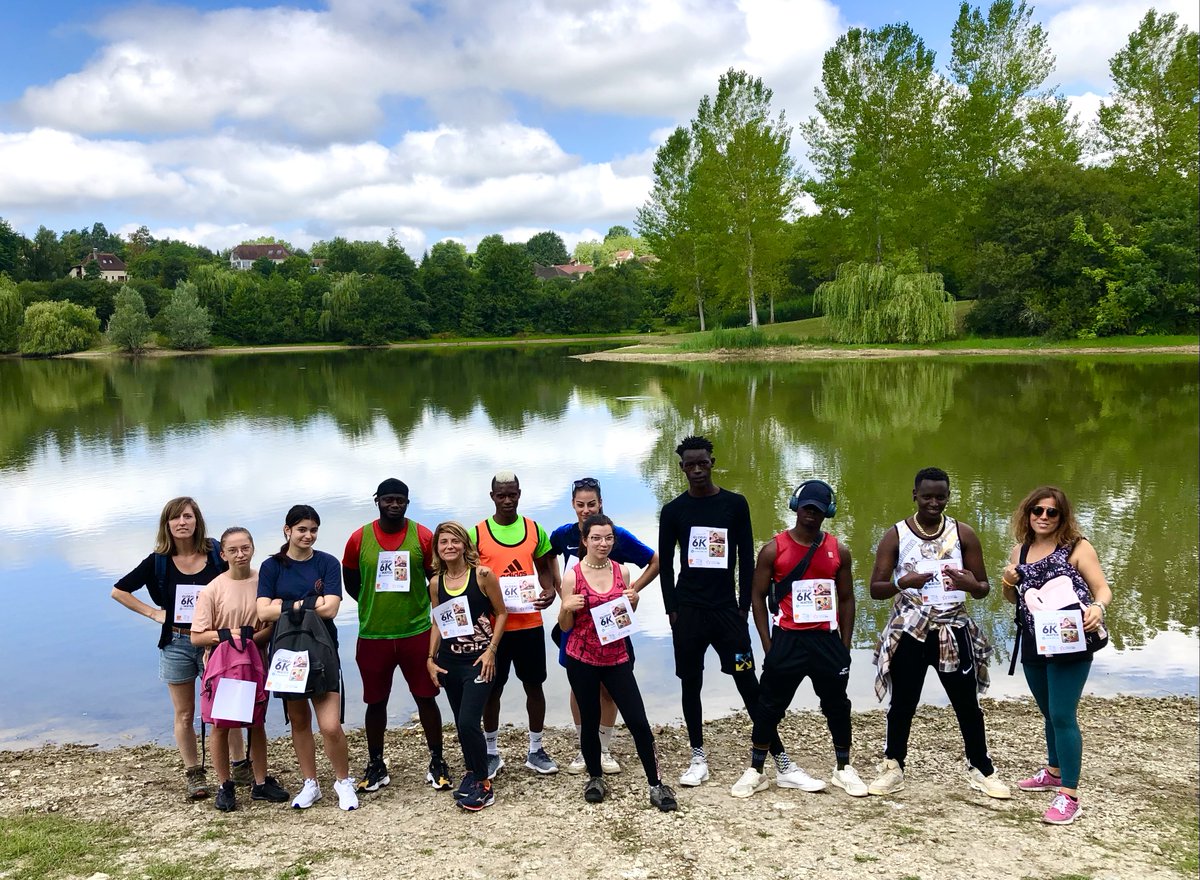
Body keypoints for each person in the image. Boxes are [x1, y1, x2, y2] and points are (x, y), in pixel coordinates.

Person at [657, 436, 800, 787]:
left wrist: (743, 606)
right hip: (688, 611)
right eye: (689, 465)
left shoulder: (735, 505)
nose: (696, 470)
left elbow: (747, 558)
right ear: (681, 468)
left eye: (702, 463)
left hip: (726, 613)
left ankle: (780, 759)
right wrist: (672, 610)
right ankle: (697, 756)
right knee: (691, 683)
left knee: (747, 681)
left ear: (712, 462)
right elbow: (665, 565)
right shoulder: (674, 511)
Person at [868, 467, 1010, 799]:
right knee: (903, 703)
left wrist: (971, 584)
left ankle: (981, 768)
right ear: (914, 495)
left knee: (967, 704)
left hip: (952, 629)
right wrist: (905, 582)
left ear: (948, 496)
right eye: (927, 496)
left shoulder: (964, 534)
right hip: (911, 631)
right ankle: (893, 766)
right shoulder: (896, 535)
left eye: (941, 496)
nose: (934, 502)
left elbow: (984, 588)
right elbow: (876, 589)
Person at [732, 480, 868, 798]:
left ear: (827, 513)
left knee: (837, 705)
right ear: (796, 507)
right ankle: (756, 770)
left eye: (818, 511)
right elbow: (757, 596)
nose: (811, 515)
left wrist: (844, 646)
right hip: (788, 638)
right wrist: (768, 643)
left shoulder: (839, 550)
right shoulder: (773, 549)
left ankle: (843, 768)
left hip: (825, 640)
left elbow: (847, 599)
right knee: (769, 706)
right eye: (807, 508)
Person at [111, 496, 246, 799]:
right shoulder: (158, 561)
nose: (181, 522)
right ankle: (194, 774)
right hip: (176, 642)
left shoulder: (215, 554)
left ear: (197, 520)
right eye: (175, 518)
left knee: (227, 708)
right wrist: (154, 613)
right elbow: (119, 591)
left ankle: (239, 765)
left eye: (187, 516)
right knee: (185, 714)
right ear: (167, 524)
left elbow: (241, 579)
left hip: (215, 640)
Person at [1002, 486, 1112, 825]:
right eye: (1037, 511)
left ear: (1062, 517)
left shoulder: (1078, 547)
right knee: (1048, 712)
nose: (1043, 517)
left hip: (1072, 639)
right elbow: (1013, 599)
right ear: (1027, 514)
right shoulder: (1019, 551)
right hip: (1035, 641)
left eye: (1052, 512)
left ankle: (1069, 795)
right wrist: (1008, 582)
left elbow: (1102, 588)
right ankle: (1052, 770)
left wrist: (1098, 608)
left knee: (1063, 714)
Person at [559, 514, 677, 811]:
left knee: (638, 721)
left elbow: (622, 620)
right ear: (584, 541)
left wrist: (632, 603)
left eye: (608, 538)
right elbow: (564, 626)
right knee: (589, 719)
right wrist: (566, 607)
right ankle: (595, 777)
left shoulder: (621, 572)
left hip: (616, 657)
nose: (603, 543)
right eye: (596, 538)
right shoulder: (572, 576)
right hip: (582, 657)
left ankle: (656, 783)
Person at [342, 478, 449, 794]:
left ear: (407, 503)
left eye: (399, 500)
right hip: (374, 634)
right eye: (388, 499)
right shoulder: (359, 539)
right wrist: (372, 604)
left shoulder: (423, 536)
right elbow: (352, 583)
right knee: (375, 702)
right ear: (377, 501)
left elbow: (437, 579)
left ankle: (437, 760)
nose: (394, 505)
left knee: (426, 698)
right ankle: (376, 764)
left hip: (416, 632)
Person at [550, 477, 660, 775]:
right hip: (579, 631)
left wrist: (632, 591)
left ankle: (605, 747)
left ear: (601, 504)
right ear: (573, 506)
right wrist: (555, 590)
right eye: (580, 505)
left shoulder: (616, 534)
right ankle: (585, 749)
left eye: (592, 504)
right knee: (581, 688)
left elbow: (655, 560)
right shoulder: (563, 534)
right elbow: (544, 555)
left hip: (613, 632)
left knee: (610, 691)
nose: (586, 510)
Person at [256, 504, 358, 811]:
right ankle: (310, 783)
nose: (308, 536)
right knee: (299, 722)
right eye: (302, 529)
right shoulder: (272, 566)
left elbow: (331, 608)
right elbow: (262, 611)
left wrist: (285, 604)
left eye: (313, 530)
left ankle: (343, 781)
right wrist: (311, 602)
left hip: (323, 649)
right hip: (287, 651)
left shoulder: (327, 563)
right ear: (287, 531)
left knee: (329, 725)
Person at [190, 527, 291, 810]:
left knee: (256, 722)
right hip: (222, 667)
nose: (240, 555)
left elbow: (271, 625)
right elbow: (197, 636)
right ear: (223, 554)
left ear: (253, 548)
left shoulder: (264, 582)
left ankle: (260, 782)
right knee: (221, 725)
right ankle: (225, 784)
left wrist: (251, 638)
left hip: (256, 664)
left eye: (245, 548)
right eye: (233, 550)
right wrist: (230, 636)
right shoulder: (213, 589)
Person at [472, 471, 560, 778]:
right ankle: (491, 752)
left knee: (534, 686)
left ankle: (536, 749)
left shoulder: (534, 529)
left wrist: (548, 590)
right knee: (490, 691)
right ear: (492, 496)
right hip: (494, 628)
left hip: (529, 624)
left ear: (520, 494)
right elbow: (470, 577)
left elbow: (545, 564)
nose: (507, 500)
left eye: (512, 494)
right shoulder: (478, 533)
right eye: (501, 495)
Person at [425, 521, 509, 811]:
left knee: (468, 722)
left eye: (455, 541)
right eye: (443, 542)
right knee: (462, 723)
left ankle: (485, 785)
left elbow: (501, 613)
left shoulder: (483, 575)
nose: (449, 547)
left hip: (479, 661)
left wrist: (491, 651)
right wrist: (430, 659)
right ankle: (473, 773)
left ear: (465, 545)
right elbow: (437, 621)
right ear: (437, 548)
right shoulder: (436, 583)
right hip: (450, 662)